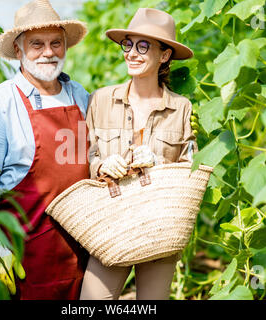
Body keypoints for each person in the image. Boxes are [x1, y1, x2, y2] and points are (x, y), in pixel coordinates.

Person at [0, 0, 90, 299]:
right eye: (37, 44)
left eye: (56, 43)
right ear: (19, 50)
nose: (48, 52)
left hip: (82, 260)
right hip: (24, 263)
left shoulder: (81, 97)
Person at [80, 8, 198, 300]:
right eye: (128, 44)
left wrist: (157, 164)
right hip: (110, 225)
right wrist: (102, 165)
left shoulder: (182, 108)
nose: (131, 53)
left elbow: (191, 169)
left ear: (165, 56)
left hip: (160, 226)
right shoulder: (101, 99)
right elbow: (86, 153)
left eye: (143, 46)